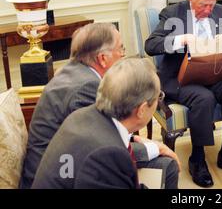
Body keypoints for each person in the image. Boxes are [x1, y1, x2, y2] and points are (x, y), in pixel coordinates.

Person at [145, 0, 222, 188]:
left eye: (212, 4)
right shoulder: (172, 14)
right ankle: (197, 159)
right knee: (204, 98)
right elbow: (151, 45)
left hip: (214, 74)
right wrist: (180, 40)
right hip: (180, 79)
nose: (208, 9)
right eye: (203, 4)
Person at [32, 58, 180, 189]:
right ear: (141, 110)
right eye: (158, 96)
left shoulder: (84, 115)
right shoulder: (108, 154)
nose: (158, 100)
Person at [20, 23, 125, 189]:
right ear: (103, 58)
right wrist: (150, 148)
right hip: (58, 180)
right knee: (164, 164)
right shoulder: (87, 87)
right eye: (121, 48)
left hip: (56, 170)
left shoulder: (71, 71)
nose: (122, 55)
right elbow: (99, 149)